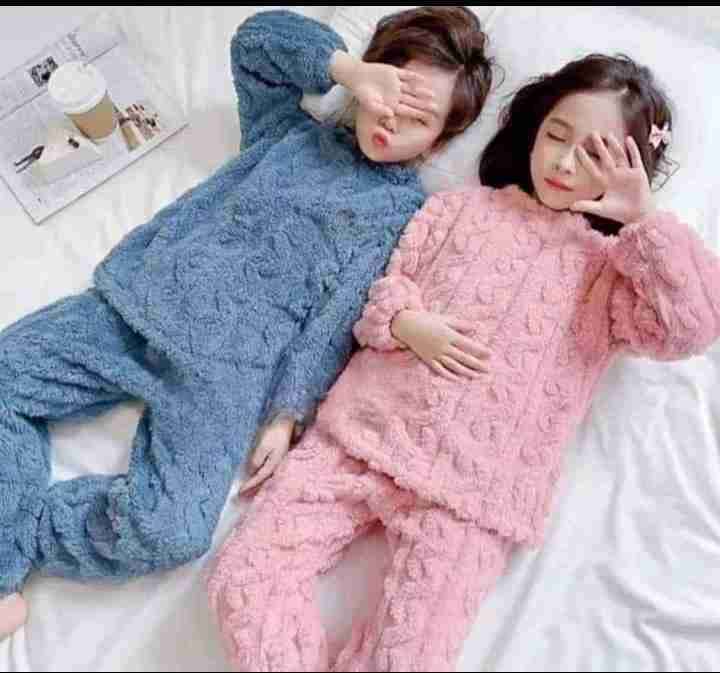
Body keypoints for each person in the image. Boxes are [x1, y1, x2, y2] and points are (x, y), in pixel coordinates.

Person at [207, 54, 720, 672]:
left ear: (630, 168)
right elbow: (383, 293)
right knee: (244, 576)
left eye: (593, 155)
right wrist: (405, 323)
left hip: (474, 495)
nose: (562, 164)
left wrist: (644, 221)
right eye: (556, 136)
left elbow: (693, 326)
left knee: (408, 659)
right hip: (360, 438)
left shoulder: (614, 273)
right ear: (533, 127)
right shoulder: (459, 209)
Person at [0, 7, 493, 639]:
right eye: (391, 94)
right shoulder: (286, 131)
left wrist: (289, 413)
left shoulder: (402, 214)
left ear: (441, 142)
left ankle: (22, 533)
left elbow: (338, 317)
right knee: (7, 374)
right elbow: (255, 44)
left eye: (419, 119)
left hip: (225, 381)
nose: (392, 119)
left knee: (172, 530)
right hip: (137, 308)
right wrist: (348, 70)